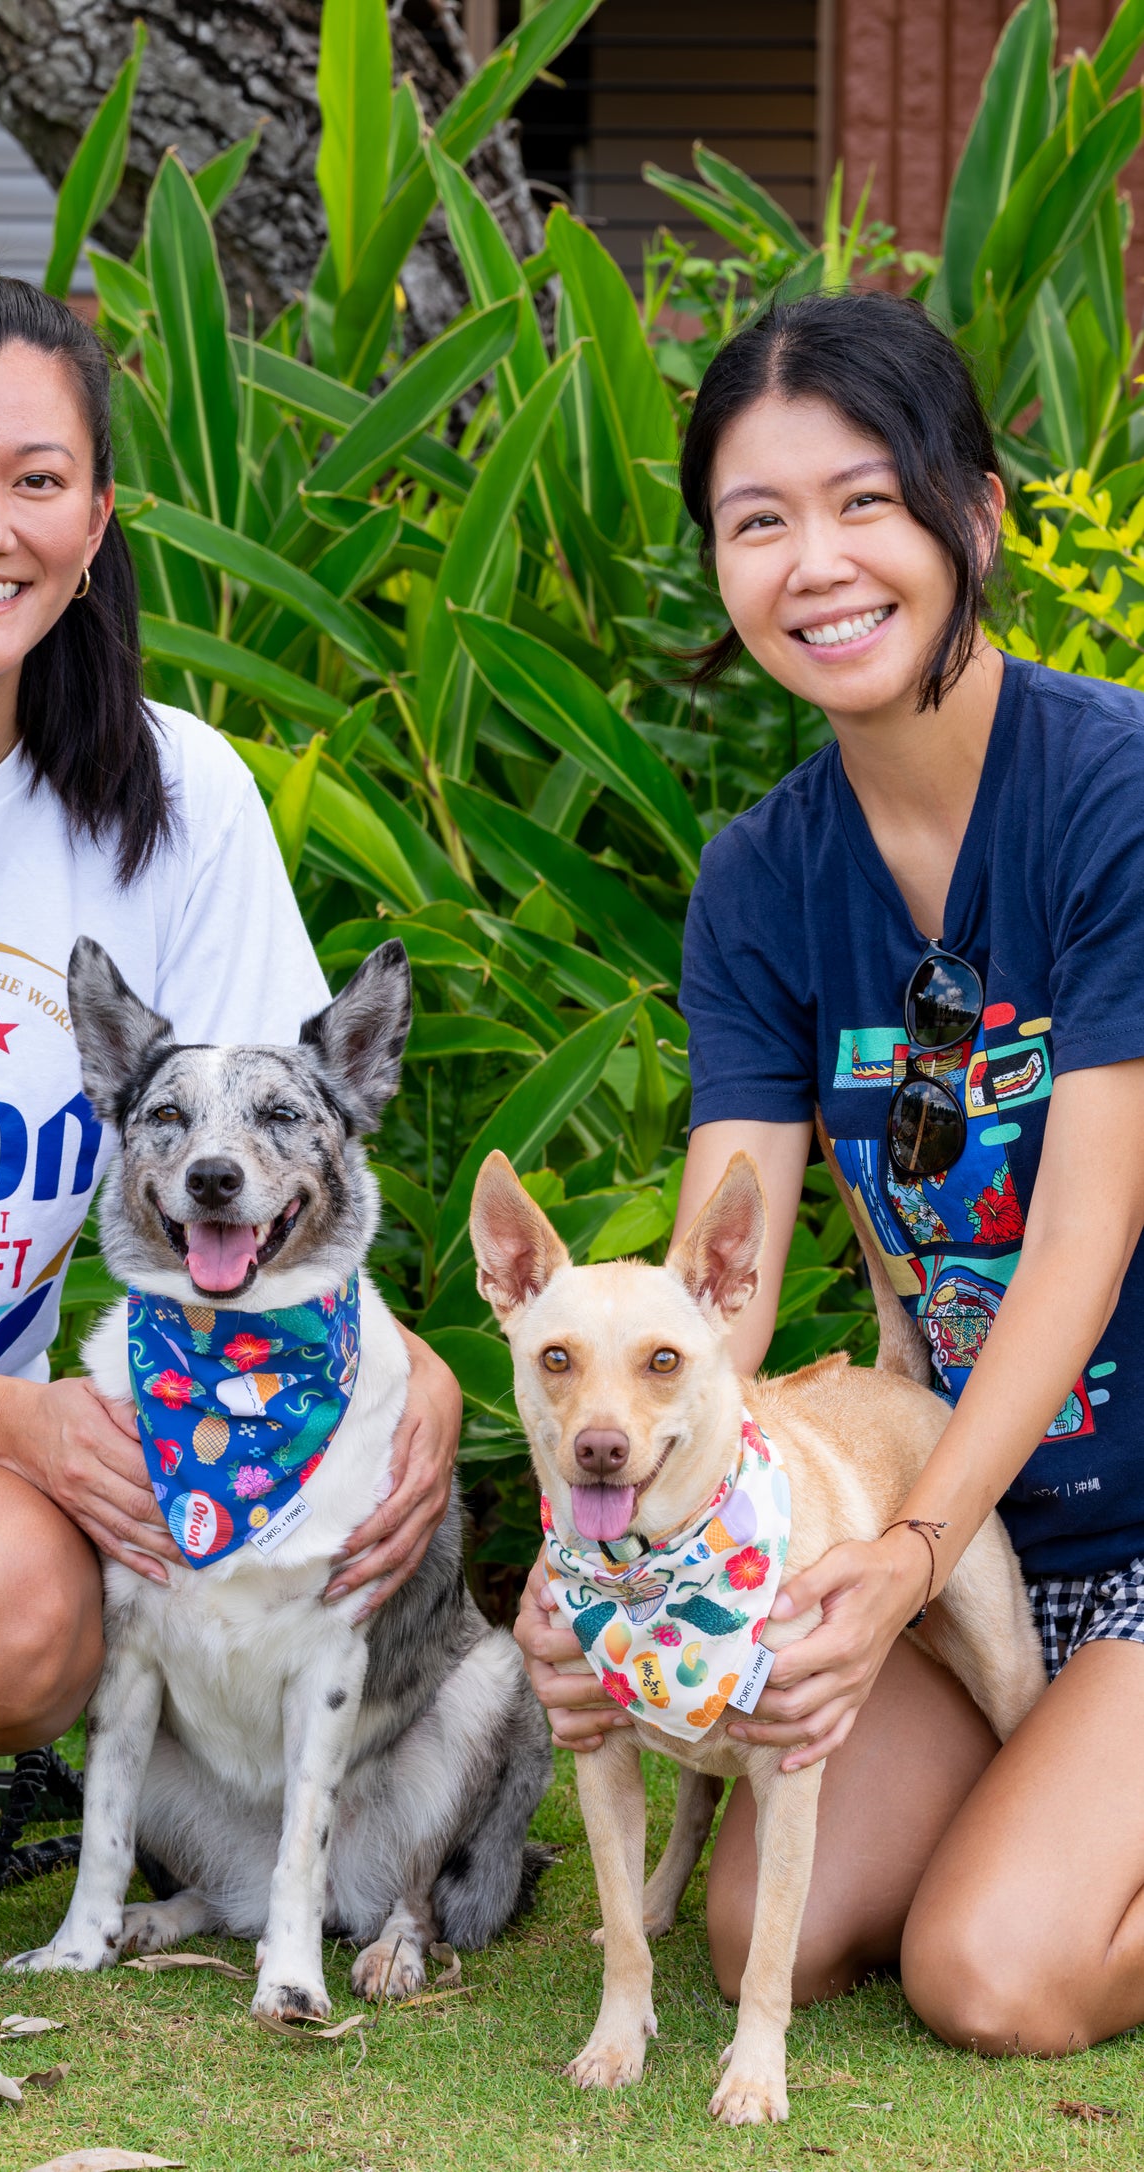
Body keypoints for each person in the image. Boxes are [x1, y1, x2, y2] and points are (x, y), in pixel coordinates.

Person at [0, 272, 461, 2029]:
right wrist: (20, 1419)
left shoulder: (173, 795)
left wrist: (412, 1378)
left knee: (18, 1604)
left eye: (39, 481)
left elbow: (294, 1145)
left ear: (97, 517)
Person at [514, 288, 1144, 2056]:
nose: (817, 563)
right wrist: (597, 1554)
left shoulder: (1112, 797)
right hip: (971, 1530)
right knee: (760, 1942)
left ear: (975, 515)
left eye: (866, 500)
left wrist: (911, 1543)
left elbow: (1078, 1238)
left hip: (1067, 1517)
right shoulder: (763, 877)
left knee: (994, 1976)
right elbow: (712, 1287)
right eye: (757, 519)